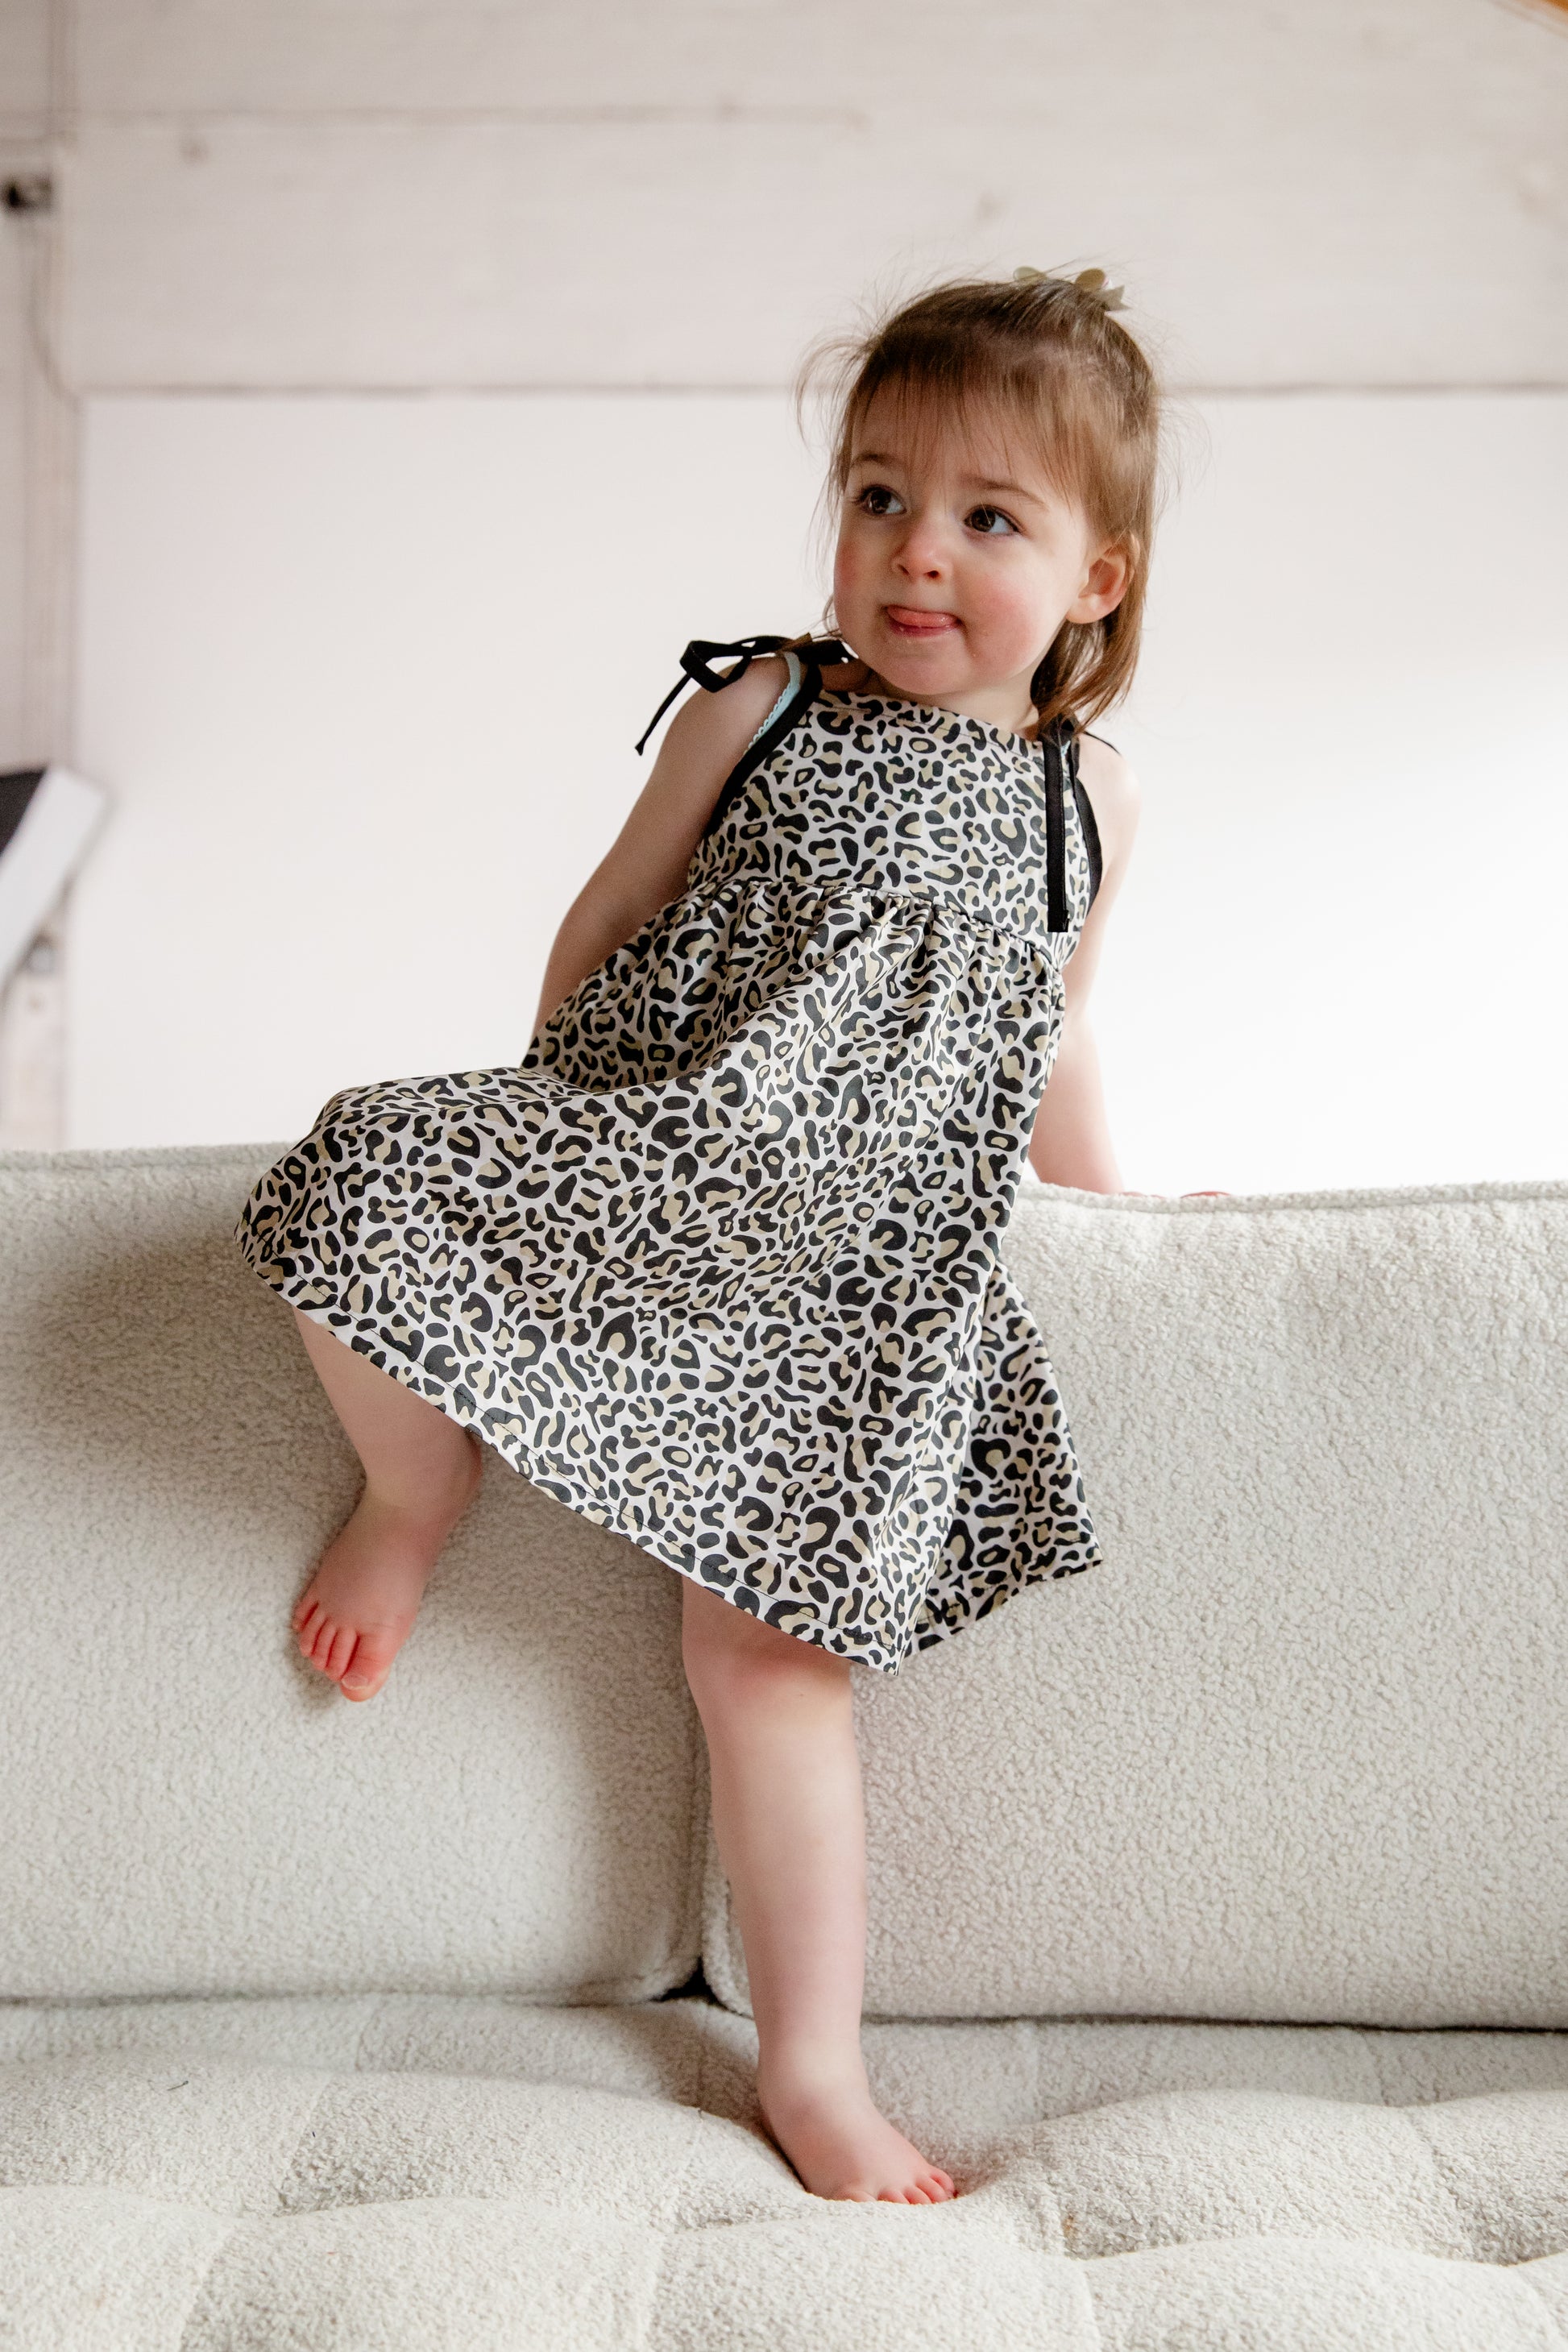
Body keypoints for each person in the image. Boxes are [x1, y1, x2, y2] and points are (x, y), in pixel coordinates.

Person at [234, 263, 1159, 2205]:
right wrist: (556, 1128)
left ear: (1094, 577)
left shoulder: (1086, 804)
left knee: (767, 1662)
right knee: (355, 1166)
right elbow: (603, 923)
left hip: (860, 1265)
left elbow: (1048, 1027)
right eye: (879, 494)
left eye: (989, 517)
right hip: (665, 1157)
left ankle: (811, 2063)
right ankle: (415, 1485)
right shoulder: (756, 704)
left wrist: (1126, 1207)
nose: (915, 552)